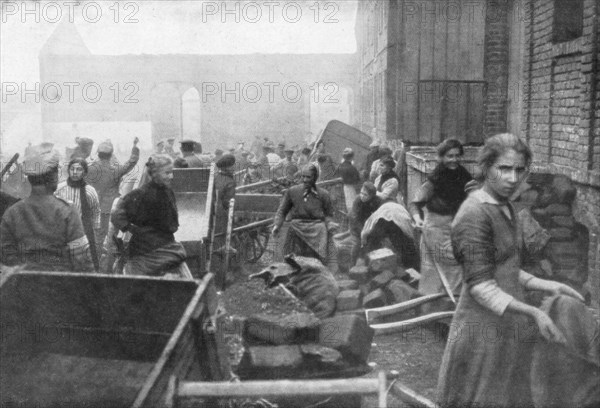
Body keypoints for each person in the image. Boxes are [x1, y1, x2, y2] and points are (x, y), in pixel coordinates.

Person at [437, 133, 584, 408]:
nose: (513, 178)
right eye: (504, 169)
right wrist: (533, 312)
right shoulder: (474, 214)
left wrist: (547, 285)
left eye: (519, 170)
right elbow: (481, 286)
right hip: (481, 333)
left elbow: (506, 268)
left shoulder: (506, 207)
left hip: (507, 328)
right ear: (485, 168)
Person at [1, 143, 93, 271]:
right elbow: (82, 259)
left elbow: (6, 257)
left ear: (30, 178)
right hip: (60, 286)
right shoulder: (67, 211)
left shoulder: (11, 213)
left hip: (23, 286)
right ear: (53, 176)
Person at [409, 139, 473, 296]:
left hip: (457, 227)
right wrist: (417, 218)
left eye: (457, 156)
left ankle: (448, 310)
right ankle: (436, 309)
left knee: (453, 268)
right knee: (445, 268)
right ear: (441, 157)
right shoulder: (435, 179)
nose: (454, 160)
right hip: (436, 228)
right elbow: (415, 203)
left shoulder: (464, 175)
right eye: (449, 156)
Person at [111, 154, 187, 276]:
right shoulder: (141, 194)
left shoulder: (168, 191)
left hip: (165, 243)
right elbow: (117, 214)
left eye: (171, 172)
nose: (171, 176)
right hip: (146, 249)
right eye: (167, 173)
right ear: (155, 174)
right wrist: (131, 229)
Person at [272, 164, 338, 263]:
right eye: (303, 176)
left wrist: (329, 223)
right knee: (286, 251)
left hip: (317, 228)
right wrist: (277, 225)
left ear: (315, 178)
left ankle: (320, 267)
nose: (305, 180)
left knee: (322, 256)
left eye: (308, 177)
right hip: (297, 226)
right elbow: (282, 210)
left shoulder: (324, 194)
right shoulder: (293, 191)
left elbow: (329, 214)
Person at [86, 137, 140, 256]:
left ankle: (96, 257)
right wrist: (135, 146)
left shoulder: (88, 169)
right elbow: (131, 162)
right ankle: (102, 260)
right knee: (109, 237)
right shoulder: (115, 170)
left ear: (98, 154)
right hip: (109, 208)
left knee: (96, 236)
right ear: (111, 155)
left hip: (92, 207)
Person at [56, 158, 102, 271]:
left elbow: (96, 211)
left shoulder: (90, 191)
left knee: (83, 262)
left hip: (82, 231)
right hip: (62, 230)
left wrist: (95, 231)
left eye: (79, 169)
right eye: (72, 169)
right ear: (68, 170)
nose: (75, 172)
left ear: (85, 172)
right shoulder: (59, 189)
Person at [334, 182, 383, 272]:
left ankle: (370, 265)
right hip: (356, 222)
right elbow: (355, 219)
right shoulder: (358, 200)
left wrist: (371, 231)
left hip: (368, 222)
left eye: (365, 195)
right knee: (357, 243)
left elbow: (380, 216)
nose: (362, 196)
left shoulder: (378, 201)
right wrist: (362, 233)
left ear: (372, 196)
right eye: (361, 193)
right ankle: (351, 266)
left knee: (372, 242)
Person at [338, 147, 361, 212]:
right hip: (351, 187)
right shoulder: (352, 168)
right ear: (352, 157)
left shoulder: (341, 165)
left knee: (346, 203)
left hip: (343, 186)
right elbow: (357, 179)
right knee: (351, 204)